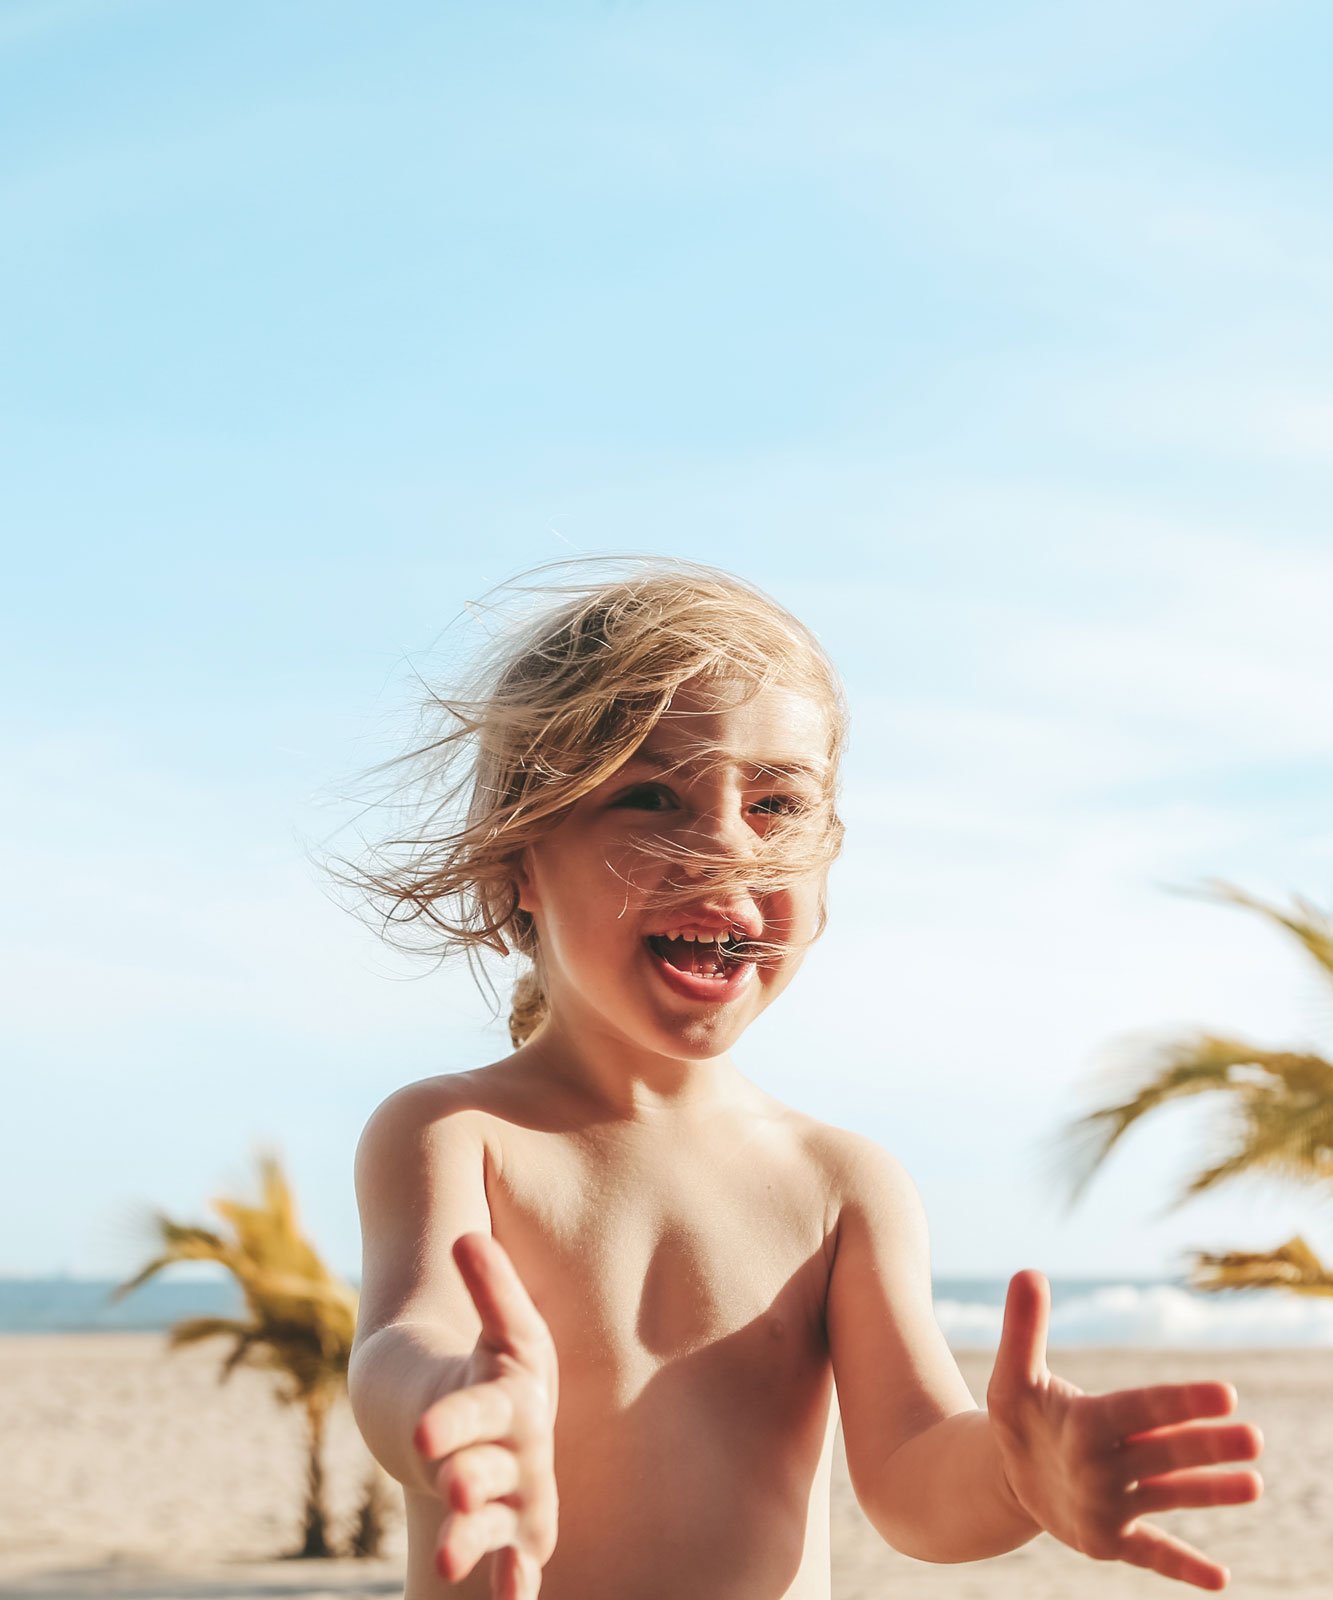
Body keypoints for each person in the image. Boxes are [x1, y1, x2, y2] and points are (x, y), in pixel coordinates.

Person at [338, 555, 1263, 1599]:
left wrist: (1017, 1475)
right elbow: (400, 1341)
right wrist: (456, 1407)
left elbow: (914, 1476)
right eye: (651, 794)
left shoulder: (839, 1182)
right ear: (517, 860)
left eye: (776, 804)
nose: (727, 845)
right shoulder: (456, 1131)